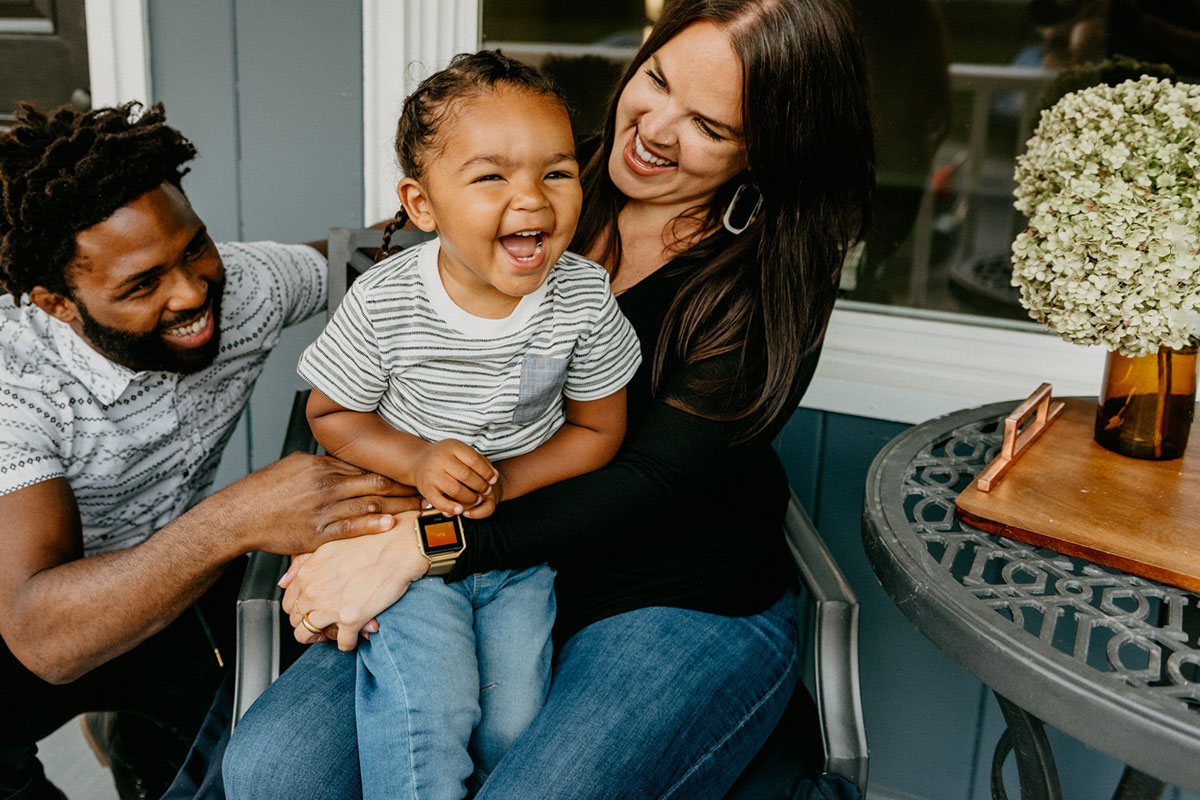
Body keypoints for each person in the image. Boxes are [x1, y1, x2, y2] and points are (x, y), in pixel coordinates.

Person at [224, 0, 875, 797]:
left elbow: (647, 482)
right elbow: (382, 281)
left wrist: (415, 544)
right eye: (657, 79)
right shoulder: (545, 171)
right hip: (473, 564)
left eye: (710, 126)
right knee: (272, 771)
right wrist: (200, 292)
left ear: (772, 150)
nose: (657, 129)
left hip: (665, 592)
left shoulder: (768, 278)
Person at [0, 102, 418, 800]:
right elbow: (41, 636)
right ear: (57, 303)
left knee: (242, 757)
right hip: (24, 614)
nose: (191, 294)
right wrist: (239, 518)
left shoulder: (246, 287)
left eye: (193, 249)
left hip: (163, 581)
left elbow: (373, 255)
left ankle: (129, 733)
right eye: (141, 284)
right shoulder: (17, 384)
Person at [295, 51, 640, 799]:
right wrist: (416, 458)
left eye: (556, 173)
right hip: (402, 543)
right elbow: (329, 412)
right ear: (422, 205)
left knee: (515, 725)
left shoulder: (582, 298)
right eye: (491, 177)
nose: (533, 202)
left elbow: (599, 431)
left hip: (519, 555)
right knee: (430, 716)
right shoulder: (387, 302)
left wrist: (508, 479)